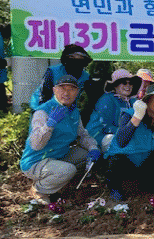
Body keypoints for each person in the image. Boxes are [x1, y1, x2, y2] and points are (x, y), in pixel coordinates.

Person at [20, 75, 101, 204]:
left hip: (59, 156)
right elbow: (35, 145)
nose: (66, 93)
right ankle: (39, 189)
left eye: (71, 89)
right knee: (68, 170)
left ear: (77, 92)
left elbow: (82, 135)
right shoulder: (43, 112)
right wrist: (49, 125)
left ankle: (62, 183)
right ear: (54, 90)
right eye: (62, 88)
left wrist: (93, 148)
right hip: (37, 161)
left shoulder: (74, 112)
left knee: (87, 155)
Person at [105, 83, 154, 205]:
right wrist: (137, 117)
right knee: (115, 161)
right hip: (124, 162)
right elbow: (121, 141)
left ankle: (147, 183)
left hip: (145, 161)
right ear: (147, 101)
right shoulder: (130, 114)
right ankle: (115, 188)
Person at [86, 69, 141, 152]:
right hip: (99, 135)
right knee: (127, 146)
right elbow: (104, 126)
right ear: (115, 85)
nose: (128, 86)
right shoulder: (107, 100)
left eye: (130, 83)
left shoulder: (133, 101)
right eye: (124, 83)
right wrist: (127, 132)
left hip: (123, 135)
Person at [30, 44, 92, 110]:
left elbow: (85, 100)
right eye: (72, 57)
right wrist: (42, 111)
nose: (76, 61)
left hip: (71, 111)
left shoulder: (86, 77)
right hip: (47, 107)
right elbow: (43, 95)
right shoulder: (52, 72)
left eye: (80, 58)